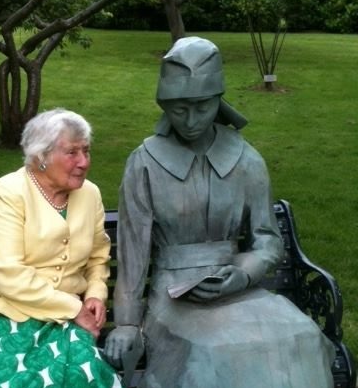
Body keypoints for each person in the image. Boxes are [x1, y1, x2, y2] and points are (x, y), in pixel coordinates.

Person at [104, 37, 336, 388]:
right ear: (164, 104)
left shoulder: (246, 159)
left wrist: (242, 273)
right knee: (216, 351)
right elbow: (133, 255)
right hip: (173, 299)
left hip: (240, 291)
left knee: (298, 334)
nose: (191, 120)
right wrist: (124, 323)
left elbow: (268, 242)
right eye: (179, 109)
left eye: (202, 106)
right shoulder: (144, 163)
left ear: (218, 100)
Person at [0, 108, 123, 388]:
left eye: (86, 151)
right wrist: (74, 309)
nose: (84, 162)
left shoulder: (90, 194)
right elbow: (8, 274)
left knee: (86, 374)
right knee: (12, 378)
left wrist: (95, 293)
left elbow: (98, 255)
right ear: (41, 156)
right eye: (72, 152)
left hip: (57, 320)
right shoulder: (6, 194)